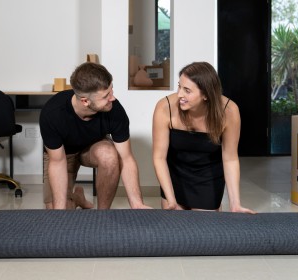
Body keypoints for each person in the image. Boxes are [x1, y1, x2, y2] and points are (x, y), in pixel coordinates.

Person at [40, 62, 151, 210]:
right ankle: (77, 198)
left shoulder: (115, 109)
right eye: (106, 96)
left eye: (111, 90)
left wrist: (137, 204)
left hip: (91, 148)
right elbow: (57, 161)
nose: (112, 98)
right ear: (85, 101)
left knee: (109, 155)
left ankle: (102, 214)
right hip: (63, 155)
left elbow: (126, 158)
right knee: (57, 209)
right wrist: (60, 212)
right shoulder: (52, 114)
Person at [152, 61, 255, 213]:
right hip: (175, 176)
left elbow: (230, 158)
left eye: (187, 90)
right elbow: (159, 157)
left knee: (204, 231)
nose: (179, 94)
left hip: (208, 178)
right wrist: (171, 199)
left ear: (206, 94)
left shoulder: (229, 111)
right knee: (175, 229)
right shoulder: (165, 107)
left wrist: (235, 204)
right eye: (179, 86)